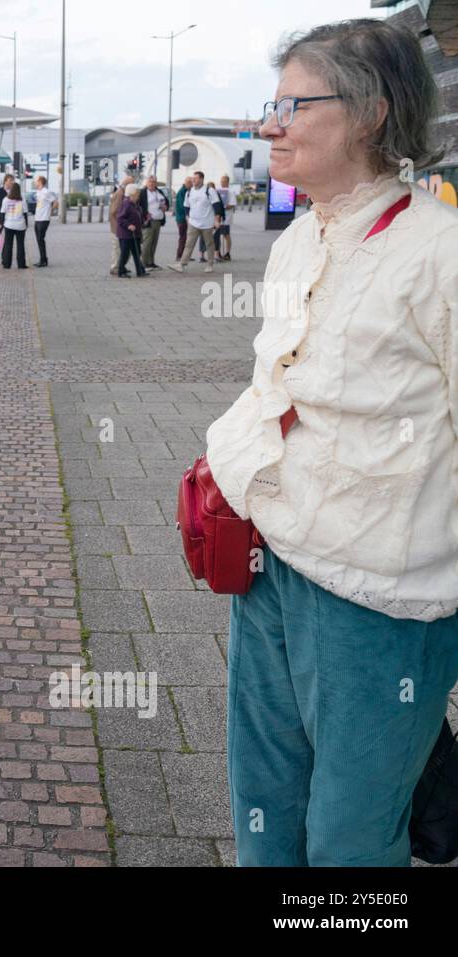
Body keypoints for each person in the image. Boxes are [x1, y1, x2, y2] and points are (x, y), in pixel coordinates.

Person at [206, 17, 458, 866]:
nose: (269, 124)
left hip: (380, 598)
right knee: (264, 807)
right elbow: (271, 388)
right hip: (270, 563)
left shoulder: (441, 252)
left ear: (370, 115)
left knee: (350, 836)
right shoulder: (302, 238)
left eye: (292, 104)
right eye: (268, 104)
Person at [168, 171, 221, 272]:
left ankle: (210, 265)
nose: (193, 180)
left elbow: (216, 205)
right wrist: (188, 217)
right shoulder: (190, 191)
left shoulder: (209, 191)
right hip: (193, 223)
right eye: (193, 178)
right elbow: (186, 206)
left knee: (209, 244)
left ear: (201, 179)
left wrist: (216, 220)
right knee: (189, 244)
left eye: (195, 178)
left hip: (207, 223)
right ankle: (182, 265)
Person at [114, 182, 148, 277]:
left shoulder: (134, 204)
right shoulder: (126, 203)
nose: (139, 195)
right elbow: (120, 218)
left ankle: (140, 271)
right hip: (126, 235)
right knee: (125, 254)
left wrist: (144, 220)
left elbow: (137, 217)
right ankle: (121, 271)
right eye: (137, 193)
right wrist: (128, 225)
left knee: (137, 253)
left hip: (135, 234)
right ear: (132, 193)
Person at [138, 174, 170, 268]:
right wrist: (144, 214)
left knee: (154, 243)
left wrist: (165, 207)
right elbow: (138, 206)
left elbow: (166, 202)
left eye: (153, 182)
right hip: (148, 221)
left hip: (158, 221)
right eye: (150, 181)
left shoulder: (159, 191)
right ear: (147, 182)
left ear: (156, 183)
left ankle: (151, 262)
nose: (152, 183)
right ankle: (143, 264)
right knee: (147, 243)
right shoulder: (143, 192)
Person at [108, 174, 133, 275]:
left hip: (121, 226)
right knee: (117, 248)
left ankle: (121, 265)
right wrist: (123, 220)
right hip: (117, 227)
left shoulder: (124, 193)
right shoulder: (120, 193)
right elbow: (114, 211)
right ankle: (115, 267)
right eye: (131, 184)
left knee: (124, 248)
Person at [0, 181, 28, 269]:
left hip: (8, 225)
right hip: (20, 225)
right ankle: (21, 264)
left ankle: (7, 264)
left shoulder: (5, 199)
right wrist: (26, 224)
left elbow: (2, 213)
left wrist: (2, 223)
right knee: (20, 245)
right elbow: (25, 213)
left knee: (8, 244)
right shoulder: (22, 200)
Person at [32, 174, 58, 266]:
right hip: (37, 219)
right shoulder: (38, 192)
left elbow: (55, 202)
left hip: (44, 219)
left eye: (36, 181)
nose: (35, 182)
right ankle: (43, 259)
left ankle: (43, 260)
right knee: (39, 240)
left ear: (40, 182)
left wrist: (50, 211)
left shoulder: (47, 192)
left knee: (40, 239)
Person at [218, 173, 237, 260]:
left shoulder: (231, 191)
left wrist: (224, 206)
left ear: (228, 182)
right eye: (221, 181)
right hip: (218, 217)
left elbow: (233, 204)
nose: (222, 183)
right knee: (217, 235)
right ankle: (218, 252)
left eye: (224, 181)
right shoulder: (218, 190)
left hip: (226, 217)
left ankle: (227, 253)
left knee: (226, 235)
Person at [174, 173, 190, 260]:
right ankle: (179, 255)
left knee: (186, 238)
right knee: (183, 237)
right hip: (182, 219)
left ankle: (185, 255)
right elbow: (182, 206)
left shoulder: (186, 191)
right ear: (187, 183)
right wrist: (188, 216)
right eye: (190, 183)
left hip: (184, 218)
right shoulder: (182, 192)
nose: (192, 185)